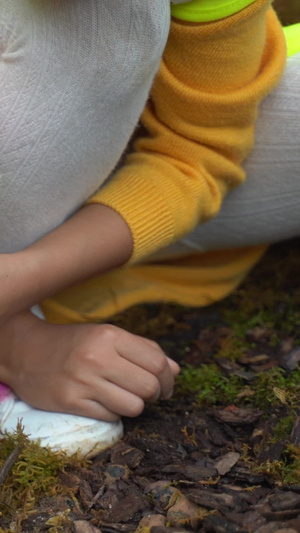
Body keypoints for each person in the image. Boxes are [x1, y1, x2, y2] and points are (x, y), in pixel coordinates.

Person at [0, 0, 299, 456]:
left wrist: (25, 278)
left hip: (99, 142)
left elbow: (195, 153)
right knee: (116, 16)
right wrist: (19, 348)